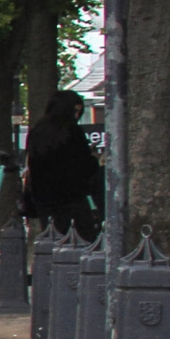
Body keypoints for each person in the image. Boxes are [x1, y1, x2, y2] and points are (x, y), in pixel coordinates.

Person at [22, 90, 101, 241]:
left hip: (44, 200)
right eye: (75, 111)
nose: (77, 115)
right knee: (80, 241)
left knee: (53, 240)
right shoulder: (72, 131)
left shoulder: (37, 131)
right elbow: (85, 167)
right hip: (71, 198)